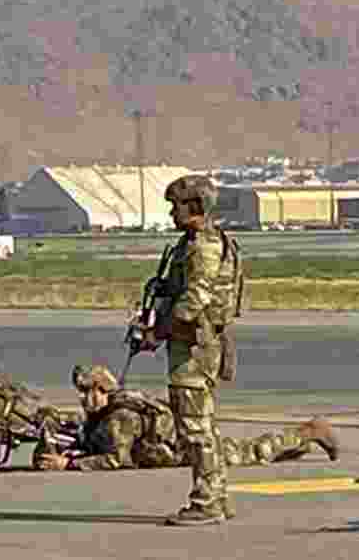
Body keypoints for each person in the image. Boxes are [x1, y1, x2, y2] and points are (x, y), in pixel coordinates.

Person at [130, 174, 243, 526]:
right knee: (202, 425)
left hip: (194, 346)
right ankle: (216, 496)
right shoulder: (190, 242)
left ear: (194, 205)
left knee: (194, 426)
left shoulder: (203, 245)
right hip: (193, 342)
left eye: (174, 206)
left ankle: (207, 501)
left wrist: (159, 332)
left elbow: (196, 297)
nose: (170, 213)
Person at [34, 364, 340, 474]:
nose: (82, 398)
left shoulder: (121, 417)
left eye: (88, 392)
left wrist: (70, 464)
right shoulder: (103, 413)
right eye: (81, 391)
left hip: (187, 450)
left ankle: (310, 431)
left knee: (252, 452)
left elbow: (117, 459)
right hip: (179, 446)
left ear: (103, 391)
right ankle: (299, 445)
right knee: (254, 452)